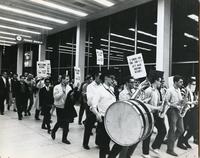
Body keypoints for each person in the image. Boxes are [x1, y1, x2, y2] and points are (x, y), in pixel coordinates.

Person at [90, 71, 116, 158]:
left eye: (114, 78)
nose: (113, 80)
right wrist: (97, 114)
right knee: (103, 144)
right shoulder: (99, 90)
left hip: (111, 119)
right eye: (112, 78)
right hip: (103, 118)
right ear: (106, 78)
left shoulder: (111, 89)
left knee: (108, 142)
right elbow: (93, 106)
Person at [165, 75, 185, 156]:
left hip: (178, 110)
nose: (182, 83)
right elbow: (166, 102)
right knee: (172, 130)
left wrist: (182, 101)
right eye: (180, 82)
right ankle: (170, 149)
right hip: (172, 110)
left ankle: (170, 141)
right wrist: (175, 105)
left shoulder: (179, 89)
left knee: (181, 129)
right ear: (175, 82)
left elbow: (179, 100)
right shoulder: (169, 90)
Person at [177, 77, 198, 148]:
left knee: (195, 127)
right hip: (185, 111)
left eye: (195, 84)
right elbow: (182, 101)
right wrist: (192, 102)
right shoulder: (184, 90)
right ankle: (179, 143)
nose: (194, 86)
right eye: (193, 84)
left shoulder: (193, 91)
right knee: (184, 128)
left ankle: (185, 140)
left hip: (192, 110)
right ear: (189, 84)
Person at [82, 72, 101, 150]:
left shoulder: (102, 86)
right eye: (100, 77)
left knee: (99, 127)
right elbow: (90, 100)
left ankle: (98, 142)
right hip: (91, 109)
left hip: (100, 108)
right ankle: (85, 143)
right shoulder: (90, 86)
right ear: (96, 77)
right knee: (89, 127)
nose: (101, 79)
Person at [51, 75, 72, 144]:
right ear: (62, 79)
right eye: (66, 79)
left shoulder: (69, 87)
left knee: (66, 123)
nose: (67, 80)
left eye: (68, 79)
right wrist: (62, 92)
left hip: (67, 107)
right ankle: (53, 131)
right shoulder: (57, 87)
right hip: (59, 107)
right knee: (60, 122)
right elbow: (55, 97)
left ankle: (64, 138)